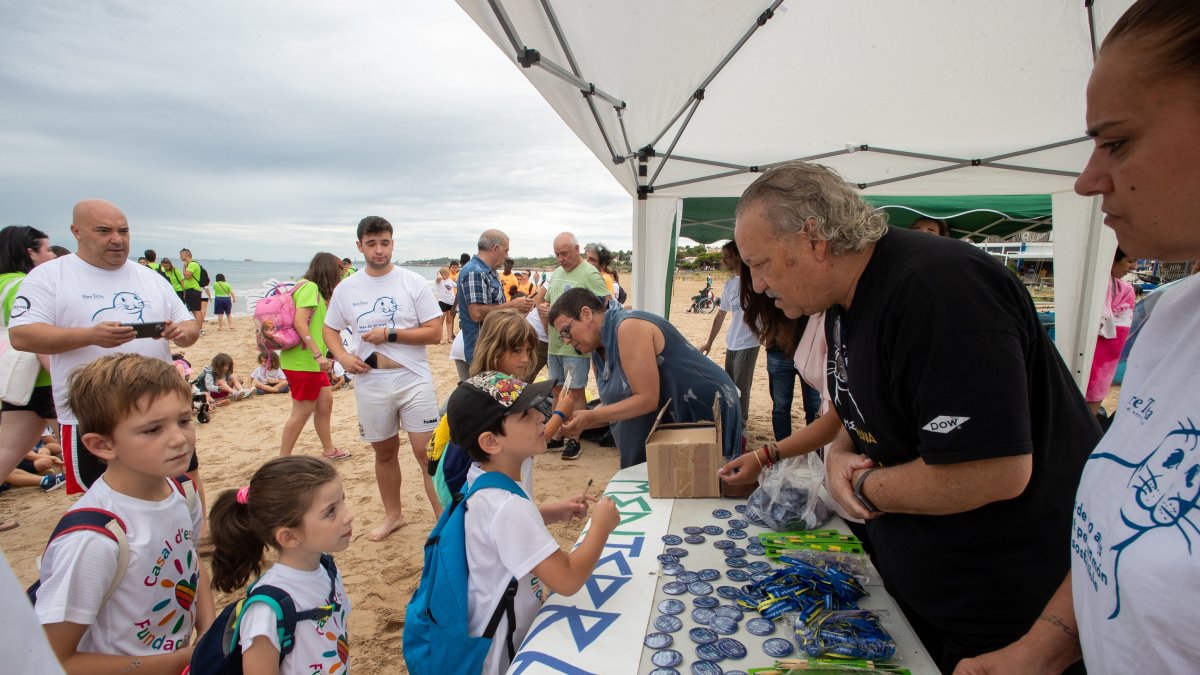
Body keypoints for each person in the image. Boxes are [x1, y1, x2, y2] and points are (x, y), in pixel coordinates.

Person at [734, 162, 1098, 672]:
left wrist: (860, 490)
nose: (756, 282)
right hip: (926, 589)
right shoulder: (842, 299)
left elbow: (993, 471)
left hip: (1004, 616)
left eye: (759, 262)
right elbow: (853, 403)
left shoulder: (939, 287)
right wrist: (839, 454)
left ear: (814, 238)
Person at [957, 2, 1200, 672]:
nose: (1088, 179)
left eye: (1116, 142)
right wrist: (1042, 648)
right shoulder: (1172, 319)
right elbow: (1122, 531)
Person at [34, 354, 214, 672]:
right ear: (102, 445)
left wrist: (208, 631)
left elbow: (191, 561)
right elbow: (56, 658)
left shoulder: (183, 492)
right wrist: (177, 660)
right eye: (152, 430)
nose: (179, 439)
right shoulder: (93, 539)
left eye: (184, 421)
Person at [8, 199, 200, 494]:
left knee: (182, 482)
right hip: (92, 412)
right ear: (77, 232)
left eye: (123, 231)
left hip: (160, 407)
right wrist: (90, 336)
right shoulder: (50, 276)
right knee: (103, 493)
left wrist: (180, 333)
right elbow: (22, 335)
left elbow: (189, 328)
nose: (117, 239)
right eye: (104, 231)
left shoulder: (150, 277)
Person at [445, 371, 619, 675]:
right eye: (525, 415)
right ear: (491, 441)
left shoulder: (483, 482)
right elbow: (567, 580)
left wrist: (554, 511)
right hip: (503, 656)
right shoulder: (508, 506)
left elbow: (498, 528)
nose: (543, 418)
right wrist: (600, 527)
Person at [324, 216, 444, 538]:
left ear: (393, 242)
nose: (379, 250)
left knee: (427, 453)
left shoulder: (412, 282)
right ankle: (393, 515)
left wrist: (391, 334)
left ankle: (442, 519)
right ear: (359, 245)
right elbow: (329, 328)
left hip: (413, 378)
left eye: (385, 243)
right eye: (372, 243)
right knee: (385, 452)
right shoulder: (347, 288)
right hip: (370, 381)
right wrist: (344, 357)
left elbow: (435, 332)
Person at [553, 287, 744, 468]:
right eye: (562, 337)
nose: (567, 341)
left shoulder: (628, 327)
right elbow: (615, 406)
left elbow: (646, 399)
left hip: (704, 411)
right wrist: (582, 419)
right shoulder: (597, 351)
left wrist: (591, 416)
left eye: (566, 332)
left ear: (586, 314)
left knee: (705, 488)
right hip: (675, 419)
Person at [207, 456, 353, 675]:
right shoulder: (266, 611)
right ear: (289, 537)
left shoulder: (326, 568)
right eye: (330, 511)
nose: (349, 516)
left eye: (342, 500)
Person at [535, 232, 610, 461]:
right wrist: (544, 309)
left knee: (576, 390)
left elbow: (602, 305)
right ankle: (557, 433)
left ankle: (574, 439)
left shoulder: (590, 273)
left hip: (577, 345)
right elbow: (544, 299)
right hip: (555, 344)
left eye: (564, 253)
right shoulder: (556, 273)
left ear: (576, 250)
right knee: (556, 389)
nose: (560, 258)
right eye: (557, 254)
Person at [0, 225, 59, 501]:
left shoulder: (2, 283)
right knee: (83, 448)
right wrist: (62, 377)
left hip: (15, 381)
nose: (51, 256)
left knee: (7, 451)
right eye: (47, 250)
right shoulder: (24, 285)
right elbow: (37, 337)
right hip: (43, 380)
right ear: (30, 253)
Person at [741, 256, 823, 438]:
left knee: (812, 406)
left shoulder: (805, 287)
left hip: (805, 352)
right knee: (782, 407)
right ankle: (784, 454)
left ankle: (815, 452)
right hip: (779, 353)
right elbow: (754, 315)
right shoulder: (767, 290)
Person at [278, 253, 346, 461]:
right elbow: (300, 323)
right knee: (302, 411)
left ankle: (329, 450)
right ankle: (283, 458)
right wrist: (318, 354)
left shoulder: (305, 286)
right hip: (304, 361)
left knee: (325, 403)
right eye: (338, 273)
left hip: (311, 363)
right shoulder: (310, 288)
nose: (339, 277)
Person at [699, 241, 759, 423]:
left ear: (738, 256)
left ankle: (741, 427)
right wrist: (709, 342)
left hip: (748, 343)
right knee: (730, 388)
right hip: (731, 343)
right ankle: (732, 423)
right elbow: (720, 315)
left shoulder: (755, 281)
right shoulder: (730, 285)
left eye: (727, 256)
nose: (723, 260)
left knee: (742, 388)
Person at [457, 230, 536, 366]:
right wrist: (512, 306)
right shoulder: (475, 272)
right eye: (506, 251)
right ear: (495, 249)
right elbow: (476, 313)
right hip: (484, 351)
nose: (507, 256)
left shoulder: (488, 272)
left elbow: (495, 309)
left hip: (493, 348)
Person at [1085, 248, 1138, 415]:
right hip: (1083, 360)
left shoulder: (1125, 290)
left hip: (1102, 366)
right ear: (1112, 259)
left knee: (1088, 415)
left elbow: (1119, 334)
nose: (1134, 267)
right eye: (1129, 261)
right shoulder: (1090, 285)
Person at [178, 248, 205, 328]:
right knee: (194, 310)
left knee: (196, 311)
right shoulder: (189, 264)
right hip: (190, 289)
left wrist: (184, 266)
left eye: (181, 254)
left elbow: (187, 276)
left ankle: (199, 329)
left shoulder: (192, 264)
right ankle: (198, 328)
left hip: (193, 289)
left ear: (186, 254)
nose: (180, 256)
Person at [434, 265, 457, 343]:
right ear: (442, 274)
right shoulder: (439, 281)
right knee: (441, 320)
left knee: (449, 320)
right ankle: (441, 338)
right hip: (442, 302)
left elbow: (457, 285)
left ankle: (450, 338)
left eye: (448, 273)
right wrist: (438, 273)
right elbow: (439, 277)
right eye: (446, 273)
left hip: (451, 302)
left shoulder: (450, 280)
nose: (448, 275)